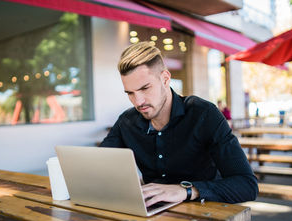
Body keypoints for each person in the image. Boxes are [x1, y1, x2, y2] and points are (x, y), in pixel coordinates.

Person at [100, 42, 258, 206]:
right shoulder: (126, 122)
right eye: (130, 93)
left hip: (205, 214)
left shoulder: (204, 114)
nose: (138, 102)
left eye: (145, 88)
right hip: (152, 214)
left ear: (165, 79)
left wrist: (187, 190)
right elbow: (97, 165)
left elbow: (247, 185)